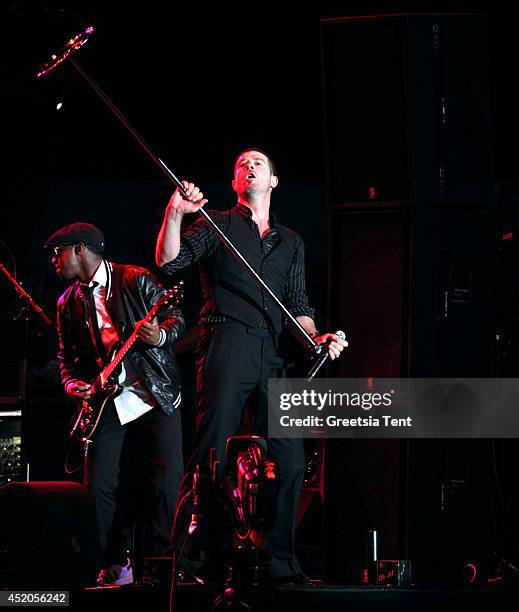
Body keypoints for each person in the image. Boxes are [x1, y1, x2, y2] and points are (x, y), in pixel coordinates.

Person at [155, 148, 347, 585]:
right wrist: (175, 213)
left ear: (274, 181)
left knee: (291, 459)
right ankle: (191, 560)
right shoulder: (218, 225)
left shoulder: (291, 241)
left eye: (258, 162)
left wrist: (317, 339)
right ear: (236, 182)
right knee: (212, 452)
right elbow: (169, 263)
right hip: (227, 342)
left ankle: (279, 561)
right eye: (241, 164)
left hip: (274, 351)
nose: (249, 166)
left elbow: (298, 306)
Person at [45, 222, 185, 586]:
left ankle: (165, 566)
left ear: (80, 249)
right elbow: (66, 358)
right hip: (109, 399)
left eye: (58, 252)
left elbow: (176, 319)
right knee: (99, 484)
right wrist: (71, 382)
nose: (54, 261)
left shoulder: (135, 278)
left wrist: (159, 336)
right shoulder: (67, 303)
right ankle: (108, 562)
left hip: (154, 392)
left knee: (165, 480)